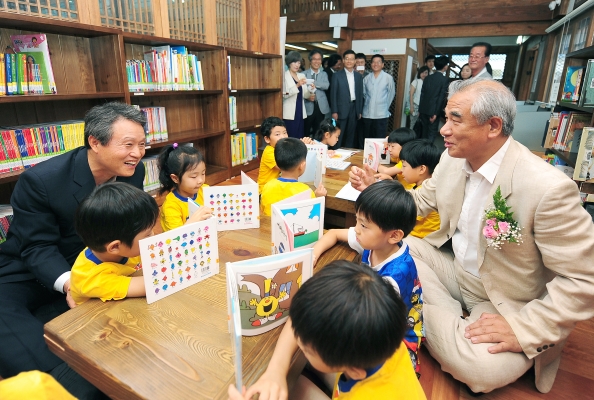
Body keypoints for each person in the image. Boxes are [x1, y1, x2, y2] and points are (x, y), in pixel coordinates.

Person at [349, 78, 594, 394]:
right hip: (454, 268)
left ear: (493, 126)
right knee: (391, 244)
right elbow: (420, 203)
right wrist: (377, 191)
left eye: (455, 119)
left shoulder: (547, 188)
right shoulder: (451, 160)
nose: (443, 130)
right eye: (446, 116)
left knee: (479, 369)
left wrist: (524, 328)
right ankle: (444, 320)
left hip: (504, 296)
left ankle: (413, 313)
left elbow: (584, 279)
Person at [0, 102, 147, 398]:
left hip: (98, 264)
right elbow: (37, 247)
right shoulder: (41, 181)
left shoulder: (134, 170)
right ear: (95, 142)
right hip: (27, 271)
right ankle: (63, 385)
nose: (138, 154)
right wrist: (72, 282)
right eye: (129, 145)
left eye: (143, 145)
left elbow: (131, 225)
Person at [229, 260, 426, 400]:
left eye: (307, 349)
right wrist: (276, 370)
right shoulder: (381, 335)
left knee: (295, 383)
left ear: (354, 371)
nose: (299, 340)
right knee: (293, 381)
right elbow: (299, 323)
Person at [312, 179, 424, 375]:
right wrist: (314, 253)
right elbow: (334, 234)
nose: (356, 229)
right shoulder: (378, 242)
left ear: (394, 235)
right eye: (357, 220)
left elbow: (368, 327)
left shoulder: (394, 277)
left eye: (363, 225)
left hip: (394, 339)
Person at [70, 182, 158, 305]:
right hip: (99, 316)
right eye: (148, 234)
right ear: (115, 246)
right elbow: (155, 283)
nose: (153, 236)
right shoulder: (93, 277)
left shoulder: (116, 245)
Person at [260, 138, 326, 216]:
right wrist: (319, 198)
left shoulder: (267, 186)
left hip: (270, 227)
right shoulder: (306, 191)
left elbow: (263, 211)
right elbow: (315, 217)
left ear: (277, 164)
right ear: (302, 165)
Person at [157, 143, 212, 232]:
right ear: (175, 178)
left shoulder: (205, 190)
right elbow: (177, 237)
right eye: (194, 176)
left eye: (203, 173)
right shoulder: (171, 206)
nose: (200, 180)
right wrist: (193, 221)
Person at [398, 140, 441, 239]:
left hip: (421, 239)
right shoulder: (418, 185)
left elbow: (402, 216)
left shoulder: (427, 195)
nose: (401, 170)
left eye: (404, 166)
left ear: (422, 169)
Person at [361, 54, 396, 148]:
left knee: (379, 139)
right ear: (371, 64)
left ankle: (378, 159)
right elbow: (364, 94)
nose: (375, 64)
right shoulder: (367, 78)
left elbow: (391, 94)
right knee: (367, 139)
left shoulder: (388, 78)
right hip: (367, 114)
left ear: (383, 64)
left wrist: (384, 106)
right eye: (373, 62)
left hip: (381, 115)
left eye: (378, 62)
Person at [331, 50, 363, 149]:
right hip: (341, 109)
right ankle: (335, 154)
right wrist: (334, 111)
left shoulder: (358, 76)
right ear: (343, 61)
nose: (349, 61)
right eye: (347, 59)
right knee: (338, 134)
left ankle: (348, 155)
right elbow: (333, 94)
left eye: (352, 59)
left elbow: (360, 94)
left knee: (351, 134)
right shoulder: (336, 75)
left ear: (355, 62)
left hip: (354, 108)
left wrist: (359, 110)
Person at [418, 56, 449, 143]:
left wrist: (420, 110)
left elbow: (422, 95)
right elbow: (441, 98)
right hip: (433, 111)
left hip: (423, 110)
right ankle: (428, 152)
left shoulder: (428, 78)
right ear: (445, 67)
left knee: (424, 132)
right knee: (431, 133)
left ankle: (421, 151)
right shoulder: (444, 80)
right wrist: (436, 113)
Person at [283, 51, 310, 139]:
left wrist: (311, 88)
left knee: (300, 137)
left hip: (300, 111)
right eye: (294, 62)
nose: (297, 65)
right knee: (291, 137)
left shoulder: (302, 75)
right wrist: (297, 85)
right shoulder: (284, 76)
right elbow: (284, 94)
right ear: (289, 63)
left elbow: (306, 95)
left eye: (298, 62)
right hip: (289, 112)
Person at [304, 49, 330, 138]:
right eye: (314, 59)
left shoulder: (324, 74)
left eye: (319, 59)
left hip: (320, 107)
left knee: (318, 131)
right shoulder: (303, 74)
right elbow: (301, 90)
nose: (317, 61)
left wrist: (313, 82)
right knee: (306, 130)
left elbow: (326, 85)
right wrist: (307, 97)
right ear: (310, 60)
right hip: (307, 105)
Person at [409, 66, 430, 130]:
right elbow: (411, 95)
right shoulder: (416, 81)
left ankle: (419, 138)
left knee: (422, 124)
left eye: (426, 73)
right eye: (422, 72)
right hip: (416, 105)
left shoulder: (429, 83)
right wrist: (412, 107)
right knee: (413, 123)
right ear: (419, 73)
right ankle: (410, 138)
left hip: (425, 107)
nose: (424, 74)